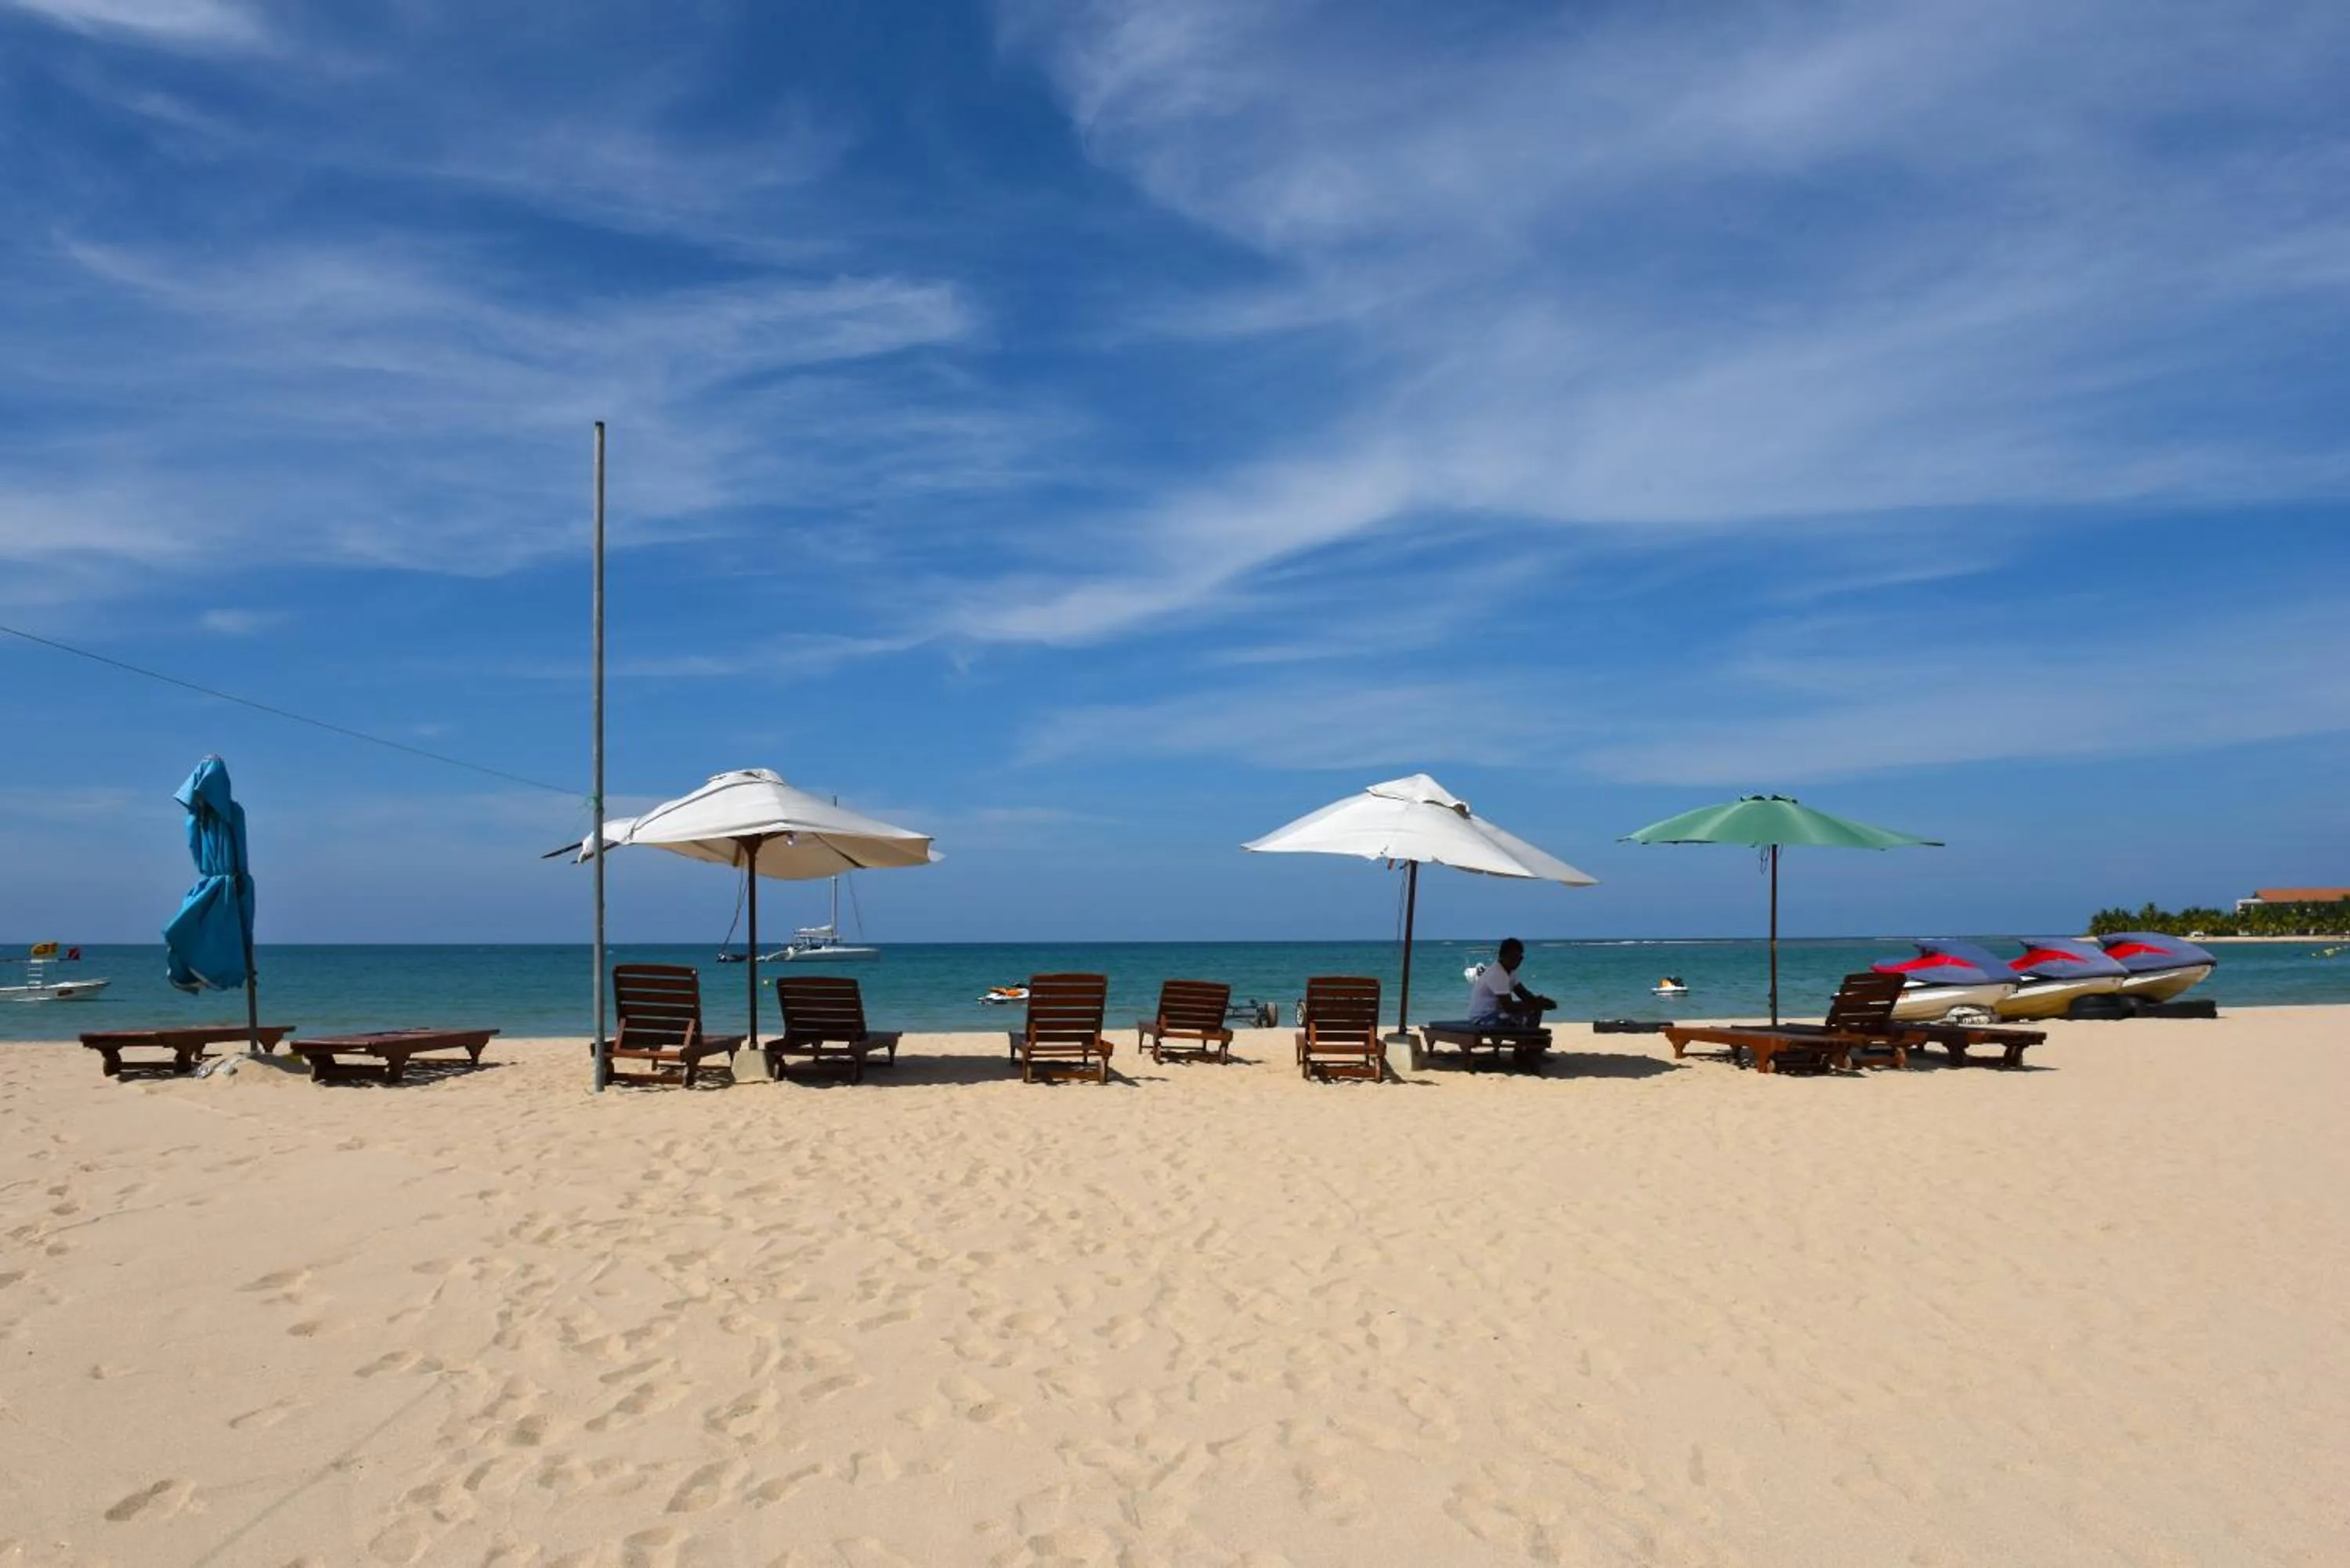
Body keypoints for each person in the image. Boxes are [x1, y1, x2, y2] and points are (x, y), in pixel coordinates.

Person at [1468, 938, 1555, 1027]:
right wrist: (1537, 1004)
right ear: (1502, 956)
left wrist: (1539, 1002)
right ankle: (1528, 1038)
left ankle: (1530, 1038)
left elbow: (1524, 995)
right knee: (1526, 1015)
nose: (1516, 961)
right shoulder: (1497, 973)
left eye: (1519, 958)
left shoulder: (1510, 971)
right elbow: (1509, 1007)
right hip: (1482, 1018)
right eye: (1512, 958)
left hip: (1495, 1014)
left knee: (1533, 1010)